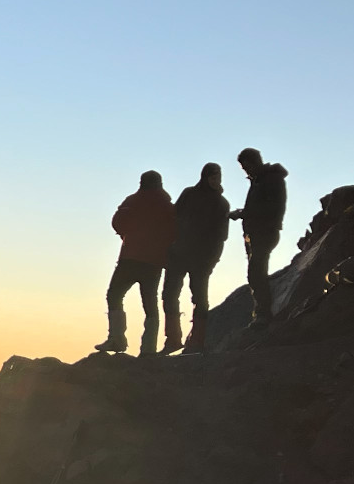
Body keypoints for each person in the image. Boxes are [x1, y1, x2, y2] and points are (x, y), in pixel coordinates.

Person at [101, 170, 175, 357]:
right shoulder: (167, 206)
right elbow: (175, 231)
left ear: (142, 183)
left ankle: (117, 339)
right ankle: (148, 348)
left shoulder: (133, 200)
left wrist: (127, 235)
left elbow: (117, 222)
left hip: (130, 257)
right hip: (154, 262)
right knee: (150, 304)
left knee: (114, 295)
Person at [162, 162, 230, 353]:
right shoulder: (189, 194)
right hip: (179, 254)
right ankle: (173, 339)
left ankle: (197, 341)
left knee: (199, 298)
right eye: (213, 177)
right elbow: (174, 218)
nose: (216, 181)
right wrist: (170, 247)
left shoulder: (221, 203)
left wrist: (213, 260)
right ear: (205, 177)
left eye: (218, 178)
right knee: (169, 295)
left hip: (202, 259)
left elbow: (221, 236)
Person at [229, 147, 289, 325]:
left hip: (265, 232)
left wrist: (243, 213)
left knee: (256, 272)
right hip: (256, 233)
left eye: (246, 167)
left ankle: (263, 314)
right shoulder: (259, 180)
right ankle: (261, 313)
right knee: (256, 271)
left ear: (254, 162)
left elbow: (271, 208)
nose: (245, 171)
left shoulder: (270, 180)